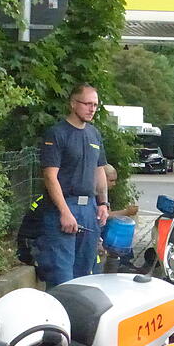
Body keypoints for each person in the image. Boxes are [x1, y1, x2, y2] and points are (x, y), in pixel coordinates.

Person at [37, 83, 109, 286]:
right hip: (64, 207)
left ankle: (81, 318)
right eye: (87, 103)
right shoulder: (57, 133)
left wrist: (103, 203)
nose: (92, 109)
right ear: (73, 104)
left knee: (85, 274)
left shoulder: (94, 134)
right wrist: (64, 212)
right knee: (62, 276)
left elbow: (99, 170)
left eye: (95, 105)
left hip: (90, 209)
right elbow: (50, 176)